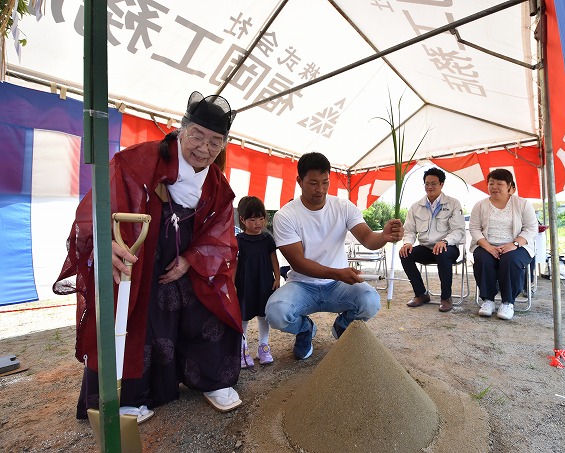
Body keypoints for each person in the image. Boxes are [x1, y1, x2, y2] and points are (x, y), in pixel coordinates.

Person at [53, 91, 243, 420]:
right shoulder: (141, 160)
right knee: (132, 319)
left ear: (224, 145)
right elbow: (101, 203)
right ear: (181, 129)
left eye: (215, 141)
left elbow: (222, 232)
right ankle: (127, 397)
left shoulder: (216, 184)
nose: (203, 147)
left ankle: (212, 379)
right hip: (137, 261)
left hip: (183, 265)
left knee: (214, 302)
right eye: (197, 135)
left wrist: (192, 259)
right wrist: (103, 241)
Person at [265, 152, 404, 360]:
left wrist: (384, 236)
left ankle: (342, 326)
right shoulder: (285, 216)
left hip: (337, 285)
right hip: (303, 284)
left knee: (370, 301)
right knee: (276, 312)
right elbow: (299, 263)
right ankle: (305, 330)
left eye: (325, 182)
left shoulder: (343, 207)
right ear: (299, 181)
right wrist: (338, 273)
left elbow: (367, 238)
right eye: (313, 183)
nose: (320, 189)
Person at [469, 169, 538, 320]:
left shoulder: (522, 204)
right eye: (491, 183)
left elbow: (531, 228)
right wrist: (488, 247)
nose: (494, 187)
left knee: (510, 260)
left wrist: (514, 244)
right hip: (488, 245)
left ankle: (508, 302)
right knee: (483, 258)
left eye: (499, 183)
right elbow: (474, 228)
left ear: (509, 186)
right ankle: (488, 300)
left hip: (517, 246)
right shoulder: (480, 206)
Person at [399, 167, 466, 312]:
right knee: (404, 253)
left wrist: (445, 241)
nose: (429, 187)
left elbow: (458, 230)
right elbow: (409, 230)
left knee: (441, 253)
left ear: (442, 184)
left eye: (434, 183)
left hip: (449, 247)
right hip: (426, 248)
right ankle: (421, 294)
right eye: (427, 183)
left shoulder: (453, 204)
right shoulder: (416, 207)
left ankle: (446, 297)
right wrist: (407, 243)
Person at [235, 196, 279, 368]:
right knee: (243, 317)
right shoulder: (239, 241)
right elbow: (235, 264)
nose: (258, 223)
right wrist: (232, 284)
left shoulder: (267, 239)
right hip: (245, 283)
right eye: (253, 219)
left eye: (261, 218)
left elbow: (274, 259)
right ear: (242, 220)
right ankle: (241, 349)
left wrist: (277, 277)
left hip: (264, 282)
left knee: (263, 315)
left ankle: (264, 346)